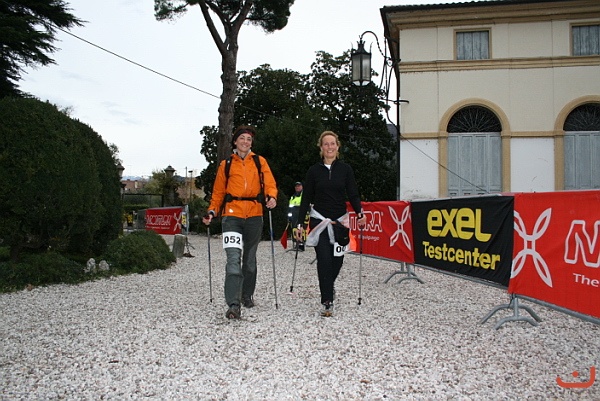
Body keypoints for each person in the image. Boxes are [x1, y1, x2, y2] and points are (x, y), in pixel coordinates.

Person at [202, 126, 278, 319]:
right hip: (232, 216)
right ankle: (234, 304)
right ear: (235, 141)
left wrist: (272, 197)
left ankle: (246, 294)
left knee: (250, 260)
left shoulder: (259, 162)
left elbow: (270, 184)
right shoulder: (226, 165)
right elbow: (218, 192)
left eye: (249, 139)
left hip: (254, 214)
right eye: (242, 138)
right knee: (233, 259)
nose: (245, 142)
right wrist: (212, 211)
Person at [295, 131, 367, 317]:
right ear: (321, 147)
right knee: (324, 260)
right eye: (326, 144)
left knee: (337, 260)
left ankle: (329, 285)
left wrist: (360, 212)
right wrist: (299, 223)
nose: (329, 147)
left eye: (332, 143)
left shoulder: (345, 169)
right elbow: (306, 198)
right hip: (319, 221)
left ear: (337, 146)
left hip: (340, 222)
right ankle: (327, 300)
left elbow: (353, 193)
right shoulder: (313, 171)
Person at [288, 181, 305, 251]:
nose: (297, 187)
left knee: (300, 230)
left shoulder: (304, 195)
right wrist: (289, 216)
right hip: (293, 215)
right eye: (296, 186)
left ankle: (301, 245)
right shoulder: (293, 196)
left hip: (300, 215)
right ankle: (296, 243)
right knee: (294, 229)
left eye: (299, 186)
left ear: (302, 187)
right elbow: (290, 207)